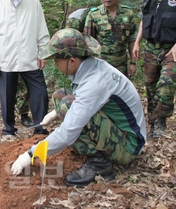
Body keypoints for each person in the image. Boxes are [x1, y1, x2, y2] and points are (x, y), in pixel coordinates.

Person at [11, 28, 146, 188]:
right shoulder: (90, 67)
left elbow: (69, 131)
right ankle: (91, 146)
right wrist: (54, 114)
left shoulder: (95, 82)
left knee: (68, 107)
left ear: (72, 60)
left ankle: (100, 165)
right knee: (60, 96)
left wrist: (31, 154)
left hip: (128, 145)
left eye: (56, 59)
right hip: (118, 129)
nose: (54, 63)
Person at [0, 0, 50, 136]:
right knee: (7, 98)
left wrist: (43, 52)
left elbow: (42, 31)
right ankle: (9, 130)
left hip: (31, 58)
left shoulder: (33, 3)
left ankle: (40, 128)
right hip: (7, 60)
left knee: (40, 94)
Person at [132, 0, 176, 139]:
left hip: (171, 48)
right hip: (150, 47)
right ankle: (151, 123)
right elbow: (145, 18)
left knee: (166, 85)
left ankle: (161, 123)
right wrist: (137, 42)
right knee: (150, 85)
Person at [84, 0, 137, 77]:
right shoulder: (94, 14)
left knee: (121, 92)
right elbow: (88, 42)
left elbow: (132, 40)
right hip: (100, 65)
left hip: (121, 66)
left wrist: (133, 63)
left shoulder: (127, 13)